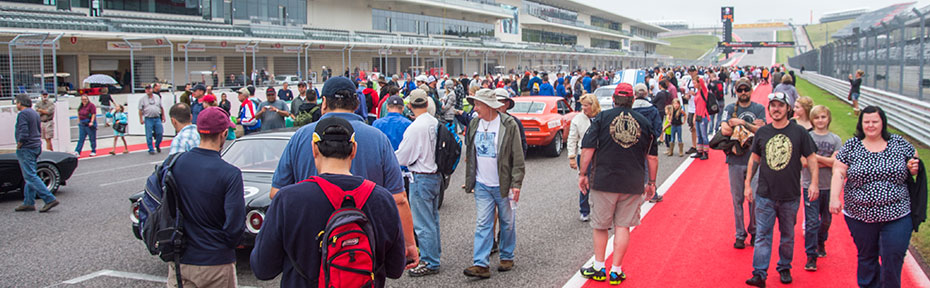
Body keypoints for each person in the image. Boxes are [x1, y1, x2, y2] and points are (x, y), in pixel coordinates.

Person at [271, 76, 420, 271]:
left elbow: (276, 193)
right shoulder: (377, 138)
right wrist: (409, 244)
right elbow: (398, 199)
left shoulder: (300, 137)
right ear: (356, 103)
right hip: (362, 251)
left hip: (308, 250)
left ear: (323, 102)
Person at [251, 117, 406, 287]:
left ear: (314, 149)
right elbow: (395, 268)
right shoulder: (382, 199)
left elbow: (263, 268)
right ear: (354, 150)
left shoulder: (288, 199)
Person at [830, 106, 920, 288]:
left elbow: (914, 158)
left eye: (875, 122)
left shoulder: (898, 143)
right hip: (860, 216)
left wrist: (913, 167)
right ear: (861, 123)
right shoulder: (852, 145)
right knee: (867, 256)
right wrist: (834, 197)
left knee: (892, 256)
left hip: (897, 214)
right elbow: (839, 170)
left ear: (882, 123)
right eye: (867, 122)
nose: (871, 126)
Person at [577, 83, 658, 285]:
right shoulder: (644, 122)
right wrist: (652, 182)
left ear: (613, 99)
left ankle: (598, 267)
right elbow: (652, 157)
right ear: (632, 100)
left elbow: (587, 149)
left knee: (600, 226)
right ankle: (616, 270)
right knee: (623, 226)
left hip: (604, 179)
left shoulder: (602, 119)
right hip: (632, 181)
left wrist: (583, 173)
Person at [161, 107, 244, 288]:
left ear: (199, 131)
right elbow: (234, 226)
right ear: (223, 134)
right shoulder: (230, 174)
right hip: (215, 261)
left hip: (180, 257)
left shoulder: (176, 163)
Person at [744, 92, 819, 287]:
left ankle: (784, 266)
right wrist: (747, 185)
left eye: (780, 105)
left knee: (787, 236)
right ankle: (759, 273)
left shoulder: (799, 132)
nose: (776, 109)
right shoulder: (762, 132)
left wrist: (814, 183)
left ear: (788, 109)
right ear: (769, 109)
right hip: (765, 195)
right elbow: (754, 159)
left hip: (790, 195)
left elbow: (811, 158)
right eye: (773, 106)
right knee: (762, 235)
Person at [462, 88, 525, 279]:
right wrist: (470, 179)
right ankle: (481, 264)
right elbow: (470, 152)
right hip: (482, 184)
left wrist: (516, 184)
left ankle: (507, 256)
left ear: (489, 106)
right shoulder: (474, 123)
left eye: (478, 104)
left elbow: (518, 156)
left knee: (507, 222)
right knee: (483, 223)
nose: (475, 108)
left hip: (503, 184)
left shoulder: (508, 124)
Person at [394, 90, 442, 277]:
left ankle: (430, 261)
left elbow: (404, 156)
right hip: (436, 174)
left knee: (422, 223)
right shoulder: (434, 122)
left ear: (410, 105)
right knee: (433, 219)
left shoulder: (415, 127)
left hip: (420, 176)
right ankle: (434, 255)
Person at [719, 78, 766, 249]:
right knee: (737, 199)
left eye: (746, 89)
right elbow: (724, 129)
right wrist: (752, 127)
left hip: (755, 159)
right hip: (735, 160)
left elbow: (762, 130)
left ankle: (754, 231)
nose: (743, 93)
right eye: (740, 90)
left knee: (754, 197)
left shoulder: (759, 108)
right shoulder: (731, 108)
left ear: (751, 90)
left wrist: (741, 123)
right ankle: (740, 234)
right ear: (736, 91)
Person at [800, 105, 842, 271]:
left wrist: (814, 158)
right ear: (812, 120)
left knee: (825, 220)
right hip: (809, 184)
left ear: (828, 119)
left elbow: (836, 163)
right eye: (817, 118)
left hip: (829, 186)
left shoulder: (835, 139)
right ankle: (811, 255)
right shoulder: (807, 137)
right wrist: (826, 161)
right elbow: (804, 162)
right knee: (811, 222)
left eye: (823, 117)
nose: (820, 121)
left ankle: (821, 241)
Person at [13, 94, 59, 213]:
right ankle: (28, 202)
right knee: (31, 174)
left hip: (27, 147)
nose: (16, 104)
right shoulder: (34, 113)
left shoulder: (23, 114)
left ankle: (49, 199)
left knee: (30, 176)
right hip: (35, 146)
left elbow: (23, 131)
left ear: (20, 103)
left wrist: (19, 143)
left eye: (17, 102)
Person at [568, 94, 600, 222]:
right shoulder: (578, 119)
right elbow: (572, 138)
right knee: (584, 182)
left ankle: (599, 210)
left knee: (600, 183)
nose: (583, 108)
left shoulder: (601, 117)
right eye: (582, 105)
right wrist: (571, 156)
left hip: (600, 154)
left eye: (586, 105)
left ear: (593, 105)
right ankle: (584, 210)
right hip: (584, 154)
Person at [687, 67, 710, 160]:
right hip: (698, 115)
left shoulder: (704, 91)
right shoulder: (697, 93)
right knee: (699, 135)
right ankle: (699, 151)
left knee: (704, 135)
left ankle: (706, 152)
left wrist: (695, 75)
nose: (694, 84)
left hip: (704, 115)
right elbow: (696, 106)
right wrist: (694, 117)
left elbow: (701, 81)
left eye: (695, 83)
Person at [139, 84, 165, 154]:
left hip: (157, 117)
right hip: (148, 118)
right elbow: (140, 110)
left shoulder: (157, 97)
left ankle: (157, 145)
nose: (148, 90)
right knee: (149, 134)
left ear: (152, 89)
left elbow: (161, 107)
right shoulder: (142, 99)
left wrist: (163, 116)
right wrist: (141, 119)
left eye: (149, 89)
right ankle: (151, 149)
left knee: (160, 132)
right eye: (146, 89)